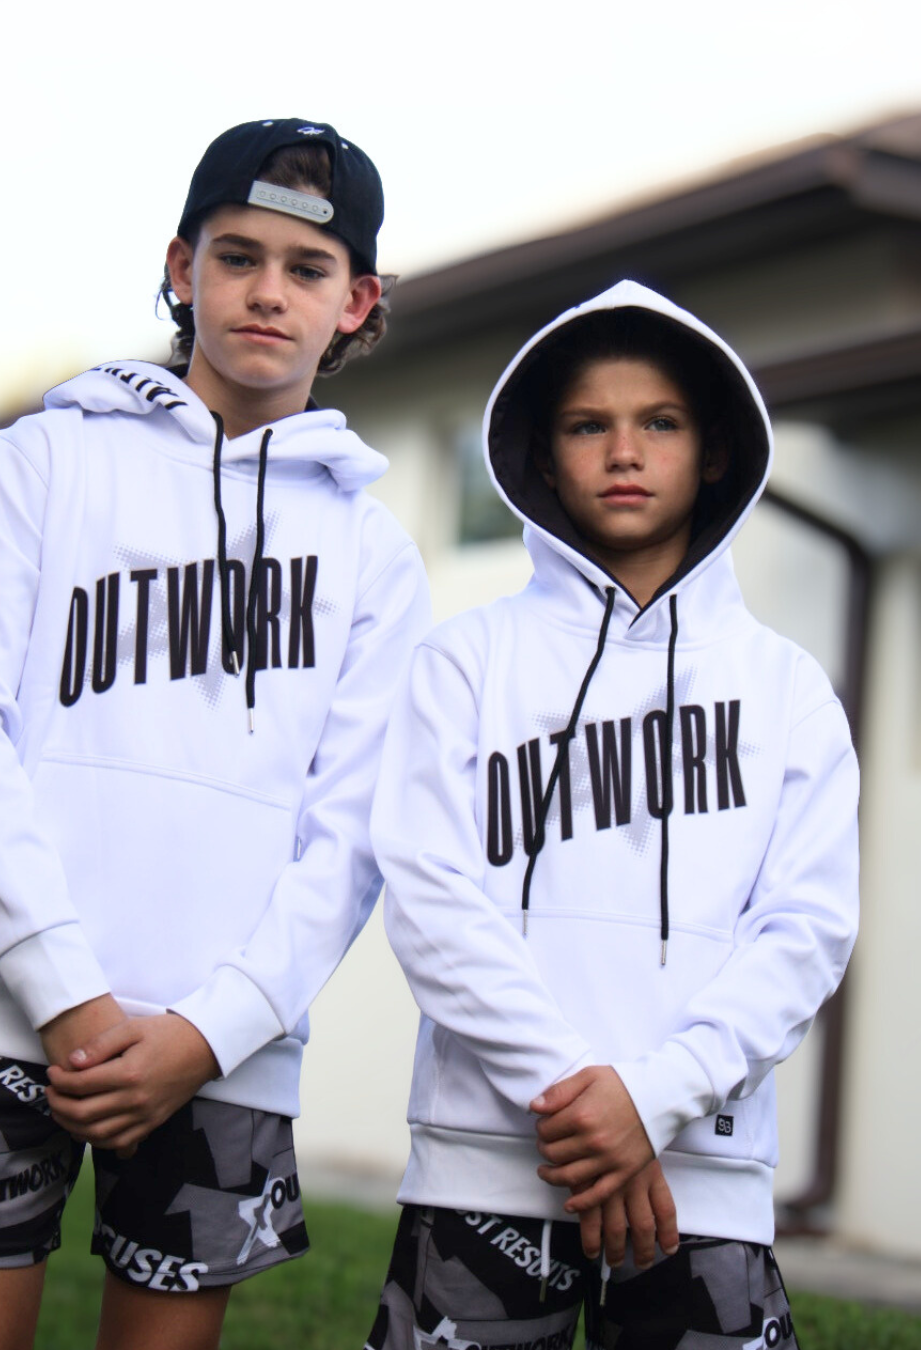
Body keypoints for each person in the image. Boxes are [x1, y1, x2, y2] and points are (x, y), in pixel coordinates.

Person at [0, 117, 430, 1350]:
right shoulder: (41, 461)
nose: (268, 292)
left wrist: (212, 1029)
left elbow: (353, 834)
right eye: (238, 256)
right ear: (182, 268)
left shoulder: (374, 554)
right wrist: (63, 990)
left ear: (357, 301)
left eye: (307, 268)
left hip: (220, 1039)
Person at [365, 280, 859, 1349]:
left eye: (660, 423)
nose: (624, 453)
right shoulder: (465, 662)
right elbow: (430, 903)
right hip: (484, 1167)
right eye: (589, 426)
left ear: (714, 451)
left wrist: (655, 1096)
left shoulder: (787, 689)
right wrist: (581, 1099)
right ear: (544, 456)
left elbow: (806, 932)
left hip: (705, 1180)